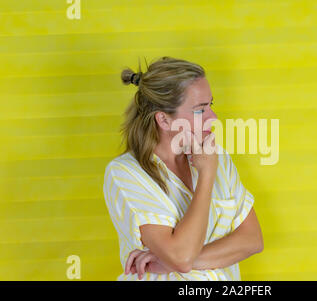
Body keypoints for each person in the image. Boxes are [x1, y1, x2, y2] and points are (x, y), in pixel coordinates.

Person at [103, 56, 263, 281]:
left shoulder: (218, 158)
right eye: (200, 110)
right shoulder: (126, 173)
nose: (213, 117)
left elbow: (253, 240)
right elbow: (182, 256)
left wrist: (166, 262)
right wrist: (206, 175)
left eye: (211, 105)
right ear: (164, 120)